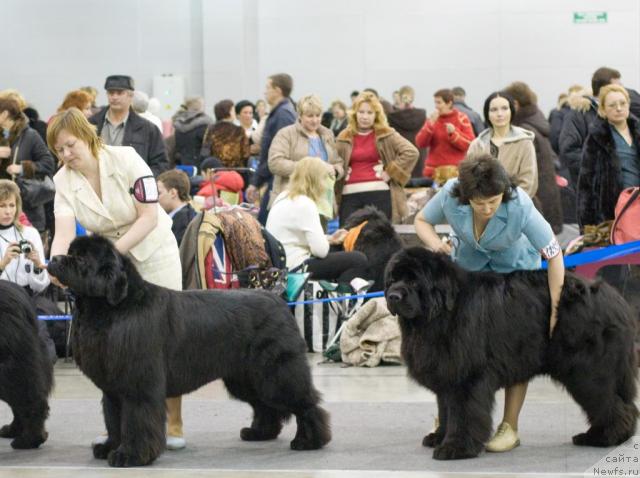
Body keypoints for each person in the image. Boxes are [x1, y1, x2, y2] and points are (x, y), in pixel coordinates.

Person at [45, 108, 186, 451]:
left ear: (87, 136)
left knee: (163, 341)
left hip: (152, 252)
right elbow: (63, 230)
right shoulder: (63, 180)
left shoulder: (128, 159)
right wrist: (56, 267)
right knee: (115, 348)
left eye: (70, 146)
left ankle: (174, 423)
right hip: (107, 265)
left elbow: (149, 216)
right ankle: (121, 429)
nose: (66, 155)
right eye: (59, 151)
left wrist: (111, 257)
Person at [415, 154, 565, 453]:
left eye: (493, 202)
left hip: (515, 278)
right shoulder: (449, 194)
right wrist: (435, 244)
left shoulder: (520, 204)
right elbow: (422, 221)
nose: (486, 209)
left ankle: (510, 426)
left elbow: (554, 254)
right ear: (465, 195)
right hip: (469, 279)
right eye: (478, 202)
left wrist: (555, 310)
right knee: (456, 352)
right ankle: (449, 418)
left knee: (513, 351)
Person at [266, 156, 369, 285]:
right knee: (358, 260)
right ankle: (341, 301)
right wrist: (326, 241)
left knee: (336, 249)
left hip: (280, 263)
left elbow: (296, 237)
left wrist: (330, 239)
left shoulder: (282, 197)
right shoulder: (306, 204)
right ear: (316, 180)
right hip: (295, 266)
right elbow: (320, 251)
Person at [335, 92, 418, 225]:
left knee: (380, 239)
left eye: (370, 112)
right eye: (361, 112)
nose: (365, 116)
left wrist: (391, 172)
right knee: (348, 239)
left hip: (379, 193)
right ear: (355, 113)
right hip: (349, 195)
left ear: (376, 115)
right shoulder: (344, 136)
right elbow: (335, 161)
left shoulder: (386, 134)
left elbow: (411, 152)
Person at [0, 179, 56, 363]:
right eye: (2, 206)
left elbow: (41, 285)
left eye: (11, 205)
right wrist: (3, 263)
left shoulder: (30, 234)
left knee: (47, 356)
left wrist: (38, 265)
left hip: (26, 297)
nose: (8, 211)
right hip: (2, 298)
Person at [559, 67, 640, 186]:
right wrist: (601, 171)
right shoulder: (578, 115)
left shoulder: (625, 115)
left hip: (631, 193)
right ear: (604, 90)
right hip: (597, 190)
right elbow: (569, 151)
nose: (622, 90)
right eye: (617, 86)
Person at [504, 81, 563, 233]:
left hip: (535, 202)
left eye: (505, 106)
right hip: (545, 197)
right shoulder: (536, 122)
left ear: (515, 104)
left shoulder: (522, 131)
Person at [578, 84, 640, 229]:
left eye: (622, 103)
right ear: (603, 110)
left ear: (628, 105)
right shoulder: (597, 137)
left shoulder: (637, 130)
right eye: (612, 105)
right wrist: (587, 226)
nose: (619, 108)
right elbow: (586, 182)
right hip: (615, 211)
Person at [268, 94, 343, 210]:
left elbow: (338, 162)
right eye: (310, 116)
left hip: (321, 201)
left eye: (318, 115)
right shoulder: (285, 134)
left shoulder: (327, 134)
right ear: (300, 115)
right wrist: (312, 168)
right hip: (292, 200)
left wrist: (335, 171)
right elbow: (275, 163)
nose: (315, 120)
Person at [89, 75, 169, 176]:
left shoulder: (148, 129)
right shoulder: (91, 125)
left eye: (120, 93)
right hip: (97, 186)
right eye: (111, 93)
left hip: (131, 188)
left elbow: (161, 165)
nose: (114, 97)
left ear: (131, 96)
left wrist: (141, 181)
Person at [246, 73, 297, 225]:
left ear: (278, 90)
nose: (265, 92)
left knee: (267, 225)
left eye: (268, 88)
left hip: (279, 182)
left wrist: (256, 182)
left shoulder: (282, 115)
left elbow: (275, 153)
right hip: (274, 179)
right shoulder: (279, 113)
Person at [0, 97, 56, 233]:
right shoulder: (2, 135)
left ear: (5, 114)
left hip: (28, 207)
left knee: (30, 248)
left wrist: (22, 168)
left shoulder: (30, 135)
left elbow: (48, 164)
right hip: (2, 208)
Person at [466, 92, 537, 197]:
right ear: (487, 114)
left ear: (511, 111)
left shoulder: (524, 142)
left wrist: (508, 203)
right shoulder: (477, 144)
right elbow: (468, 179)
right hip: (482, 207)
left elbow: (528, 182)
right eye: (494, 110)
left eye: (504, 108)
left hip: (515, 207)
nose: (499, 114)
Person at [416, 88, 474, 184]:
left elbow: (469, 143)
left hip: (455, 173)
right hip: (433, 173)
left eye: (439, 103)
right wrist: (430, 125)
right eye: (435, 103)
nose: (436, 106)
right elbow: (420, 143)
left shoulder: (462, 118)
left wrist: (454, 134)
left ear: (449, 103)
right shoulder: (432, 119)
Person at [387, 85, 427, 178]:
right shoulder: (422, 115)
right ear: (413, 97)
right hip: (420, 155)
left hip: (402, 155)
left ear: (400, 98)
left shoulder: (392, 117)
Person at [200, 99, 250, 170]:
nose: (234, 113)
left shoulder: (211, 129)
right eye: (233, 110)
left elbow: (205, 150)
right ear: (228, 112)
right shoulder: (238, 130)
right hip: (236, 170)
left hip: (216, 169)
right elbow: (245, 153)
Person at [157, 170, 197, 246]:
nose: (155, 198)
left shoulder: (182, 222)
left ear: (173, 193)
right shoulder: (188, 214)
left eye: (159, 193)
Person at [171, 97, 213, 168]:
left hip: (181, 164)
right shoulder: (204, 125)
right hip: (199, 165)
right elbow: (207, 147)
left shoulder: (178, 124)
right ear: (200, 108)